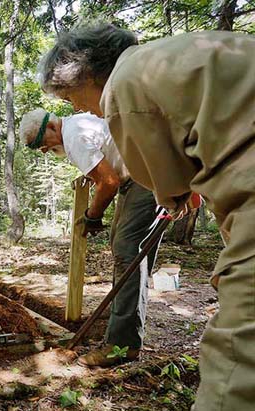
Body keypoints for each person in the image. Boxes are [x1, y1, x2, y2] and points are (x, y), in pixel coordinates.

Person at [38, 24, 255, 411]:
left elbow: (166, 187)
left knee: (237, 359)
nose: (76, 107)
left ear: (86, 74)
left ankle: (121, 343)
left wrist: (97, 215)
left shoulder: (124, 88)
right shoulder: (179, 54)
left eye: (71, 95)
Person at [19, 108, 164, 367]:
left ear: (52, 127)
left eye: (42, 144)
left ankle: (123, 344)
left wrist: (92, 215)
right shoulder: (78, 125)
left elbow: (109, 181)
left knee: (127, 250)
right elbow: (105, 168)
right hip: (139, 176)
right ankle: (123, 314)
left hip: (146, 177)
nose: (44, 151)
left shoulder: (74, 136)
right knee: (123, 249)